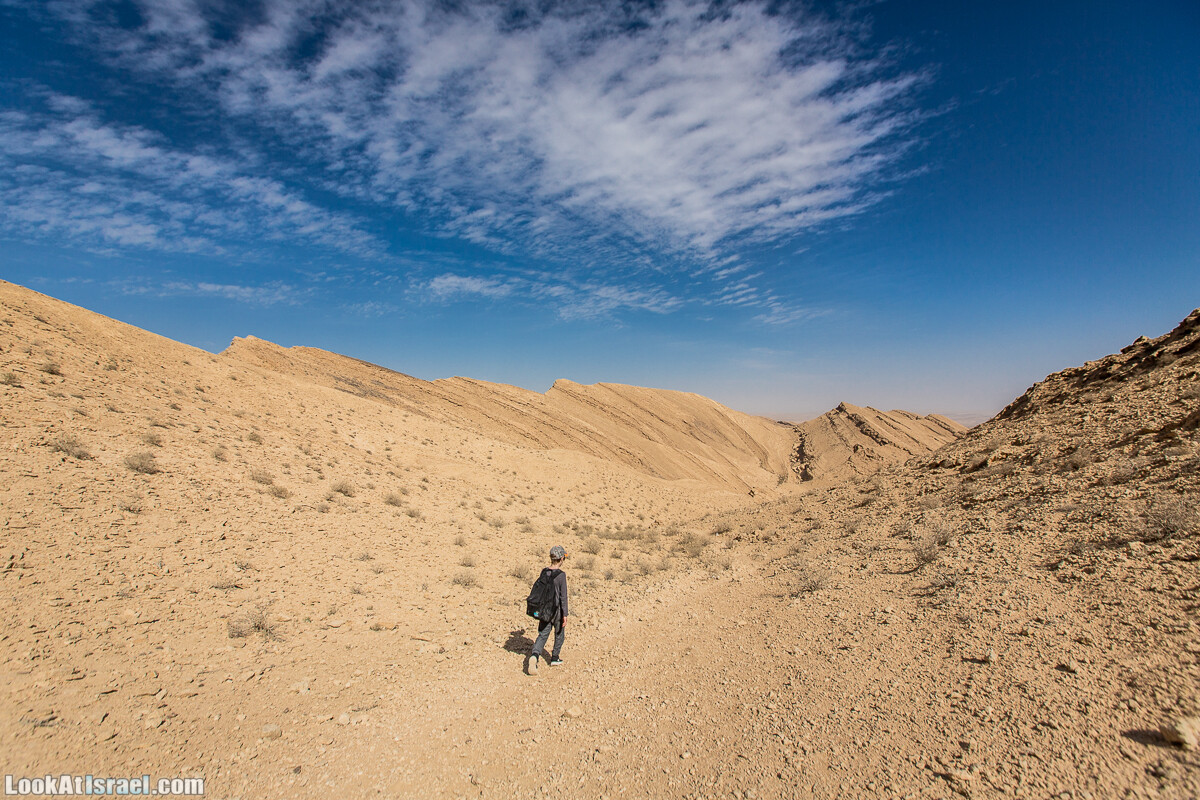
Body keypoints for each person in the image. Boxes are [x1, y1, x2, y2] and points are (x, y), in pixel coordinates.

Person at [528, 545, 568, 675]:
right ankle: (555, 657)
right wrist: (565, 614)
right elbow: (563, 596)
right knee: (559, 633)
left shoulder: (544, 571)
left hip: (544, 610)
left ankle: (534, 655)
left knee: (543, 634)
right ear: (561, 559)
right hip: (556, 611)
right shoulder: (561, 576)